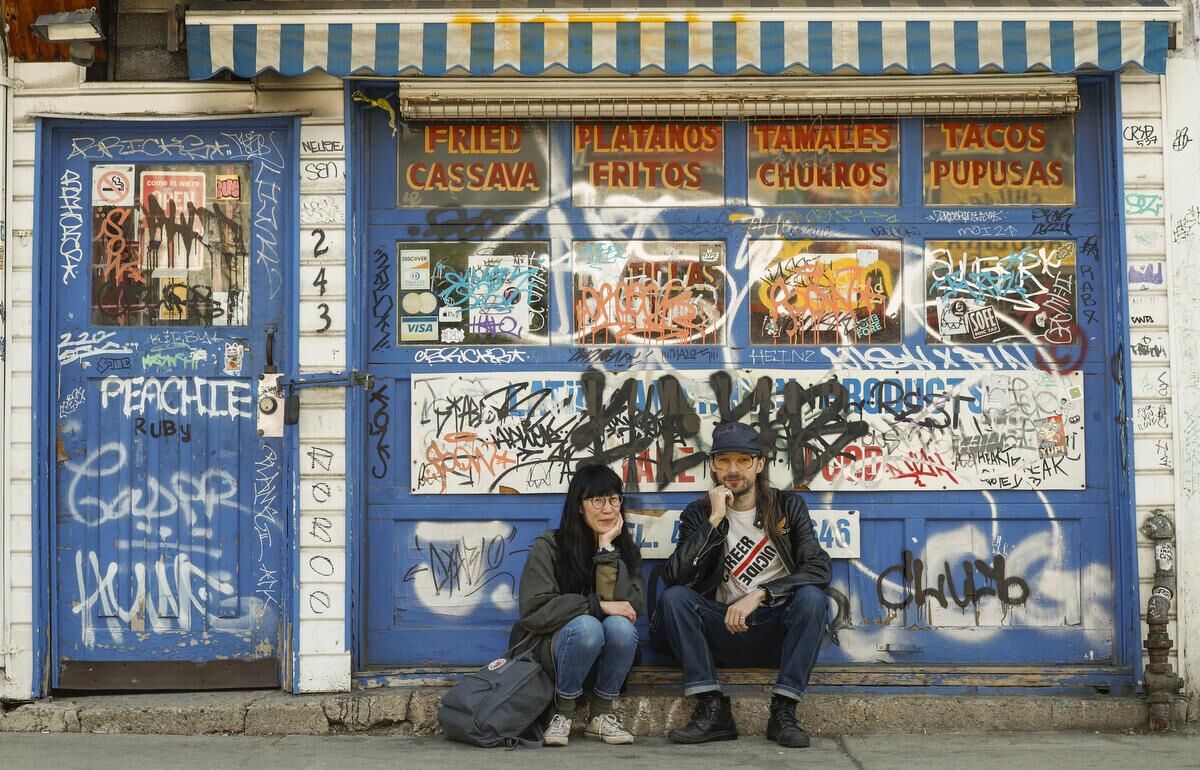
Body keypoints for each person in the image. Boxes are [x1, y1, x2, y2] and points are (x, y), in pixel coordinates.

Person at [655, 421, 832, 748]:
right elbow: (677, 576)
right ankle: (712, 710)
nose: (732, 470)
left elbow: (819, 567)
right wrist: (714, 521)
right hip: (719, 631)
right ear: (713, 466)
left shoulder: (788, 507)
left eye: (743, 460)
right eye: (723, 460)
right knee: (675, 598)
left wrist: (761, 595)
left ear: (760, 464)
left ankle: (784, 712)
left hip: (773, 629)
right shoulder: (698, 513)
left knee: (813, 598)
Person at [510, 463, 645, 746]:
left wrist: (607, 550)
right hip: (554, 653)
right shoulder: (550, 546)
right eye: (597, 500)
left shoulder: (624, 550)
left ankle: (600, 716)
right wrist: (597, 607)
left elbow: (631, 608)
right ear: (579, 506)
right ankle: (562, 713)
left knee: (620, 628)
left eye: (614, 499)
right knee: (587, 627)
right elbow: (533, 611)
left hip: (604, 660)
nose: (607, 508)